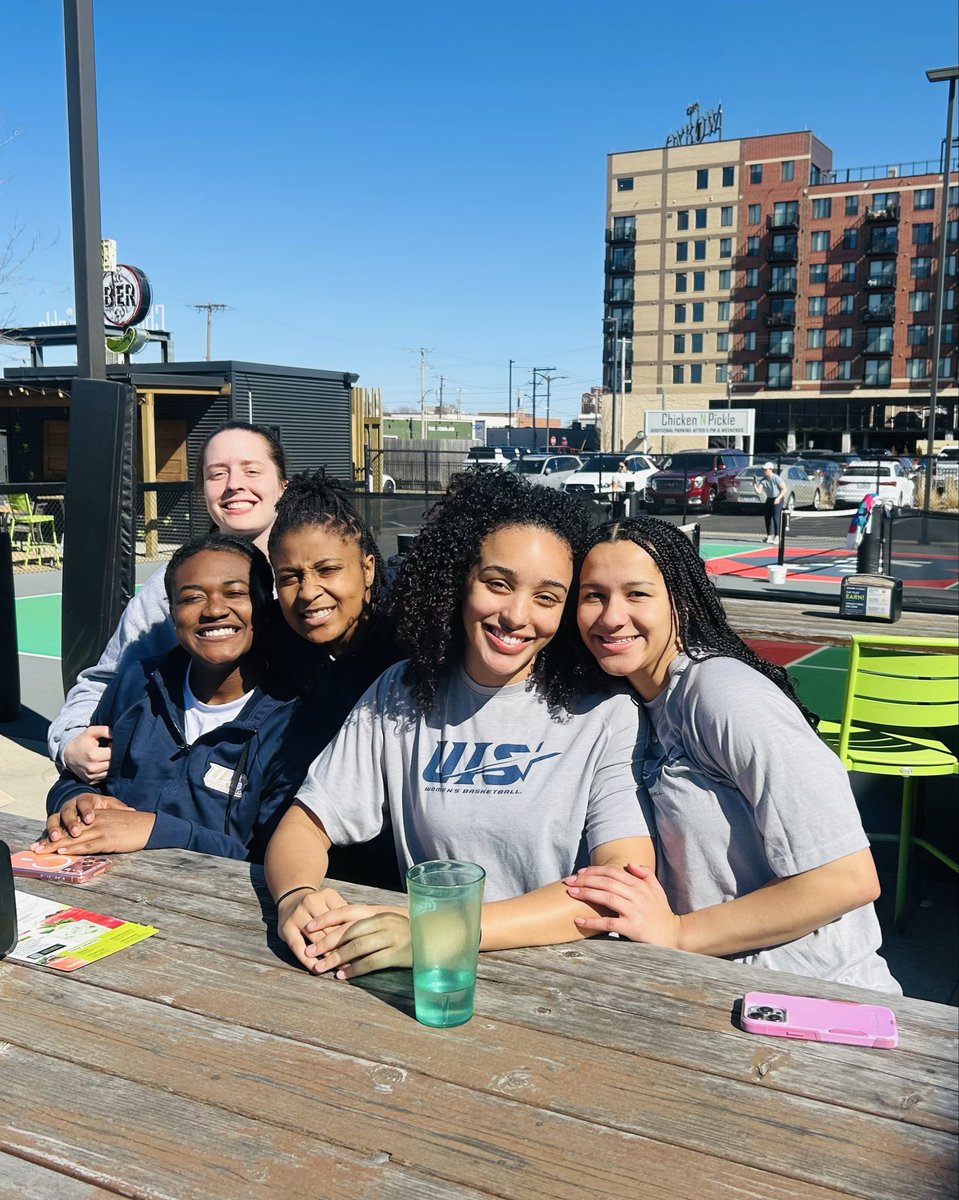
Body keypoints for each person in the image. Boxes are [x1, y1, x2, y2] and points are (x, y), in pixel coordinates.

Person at [264, 470, 653, 980]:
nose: (516, 615)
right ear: (459, 577)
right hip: (434, 979)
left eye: (547, 597)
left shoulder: (606, 713)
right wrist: (296, 897)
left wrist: (440, 928)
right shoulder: (400, 692)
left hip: (568, 981)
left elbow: (620, 884)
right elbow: (305, 825)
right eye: (498, 584)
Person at [568, 516, 900, 994]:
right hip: (718, 990)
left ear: (680, 603)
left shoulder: (721, 693)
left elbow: (846, 878)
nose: (611, 616)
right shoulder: (636, 705)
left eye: (637, 594)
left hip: (813, 996)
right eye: (593, 595)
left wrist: (678, 933)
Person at [38, 534, 315, 861]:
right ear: (172, 613)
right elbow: (73, 780)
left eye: (235, 593)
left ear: (265, 609)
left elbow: (276, 860)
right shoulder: (136, 682)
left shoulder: (295, 726)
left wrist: (155, 830)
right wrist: (74, 800)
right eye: (192, 597)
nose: (214, 609)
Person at [47, 420, 288, 781]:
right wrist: (69, 741)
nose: (234, 484)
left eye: (251, 470)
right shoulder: (168, 585)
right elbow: (103, 680)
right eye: (216, 473)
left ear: (283, 485)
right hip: (185, 788)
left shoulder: (310, 578)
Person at [266, 470, 404, 886]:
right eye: (290, 577)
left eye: (327, 570)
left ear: (366, 569)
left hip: (399, 876)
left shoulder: (412, 643)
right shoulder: (275, 639)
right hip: (305, 865)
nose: (308, 592)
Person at [753, 461, 788, 543]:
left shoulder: (776, 478)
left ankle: (777, 537)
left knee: (776, 518)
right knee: (767, 517)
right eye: (764, 470)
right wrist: (754, 484)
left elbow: (784, 489)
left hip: (778, 499)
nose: (764, 471)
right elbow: (759, 491)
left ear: (771, 469)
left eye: (766, 469)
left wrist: (778, 498)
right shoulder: (763, 480)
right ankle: (769, 536)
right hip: (769, 499)